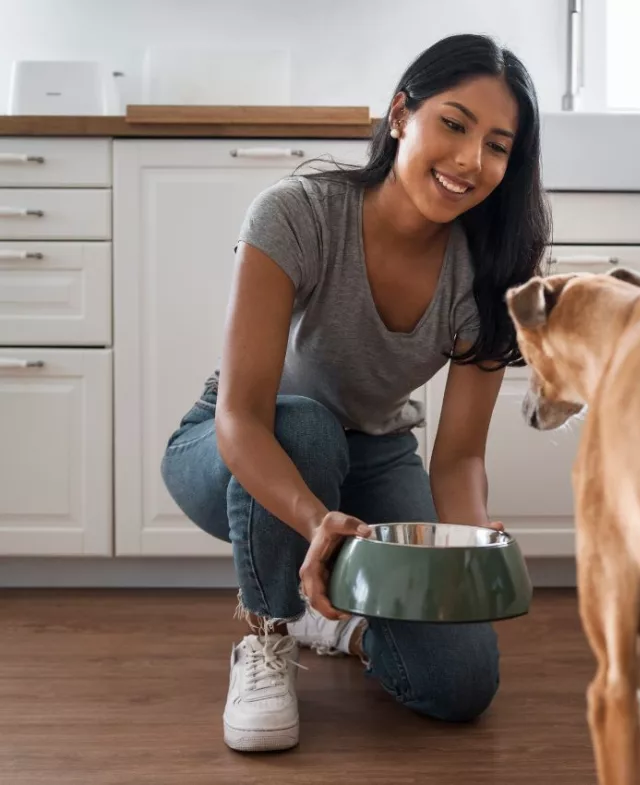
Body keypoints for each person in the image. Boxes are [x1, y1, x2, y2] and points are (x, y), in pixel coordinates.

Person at [159, 33, 550, 753]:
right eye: (455, 124)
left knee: (462, 684)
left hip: (373, 456)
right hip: (233, 446)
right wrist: (317, 518)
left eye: (498, 145)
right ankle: (267, 632)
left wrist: (472, 547)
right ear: (402, 114)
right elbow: (243, 417)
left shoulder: (488, 274)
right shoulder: (297, 214)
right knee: (304, 426)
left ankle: (332, 622)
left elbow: (459, 458)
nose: (471, 160)